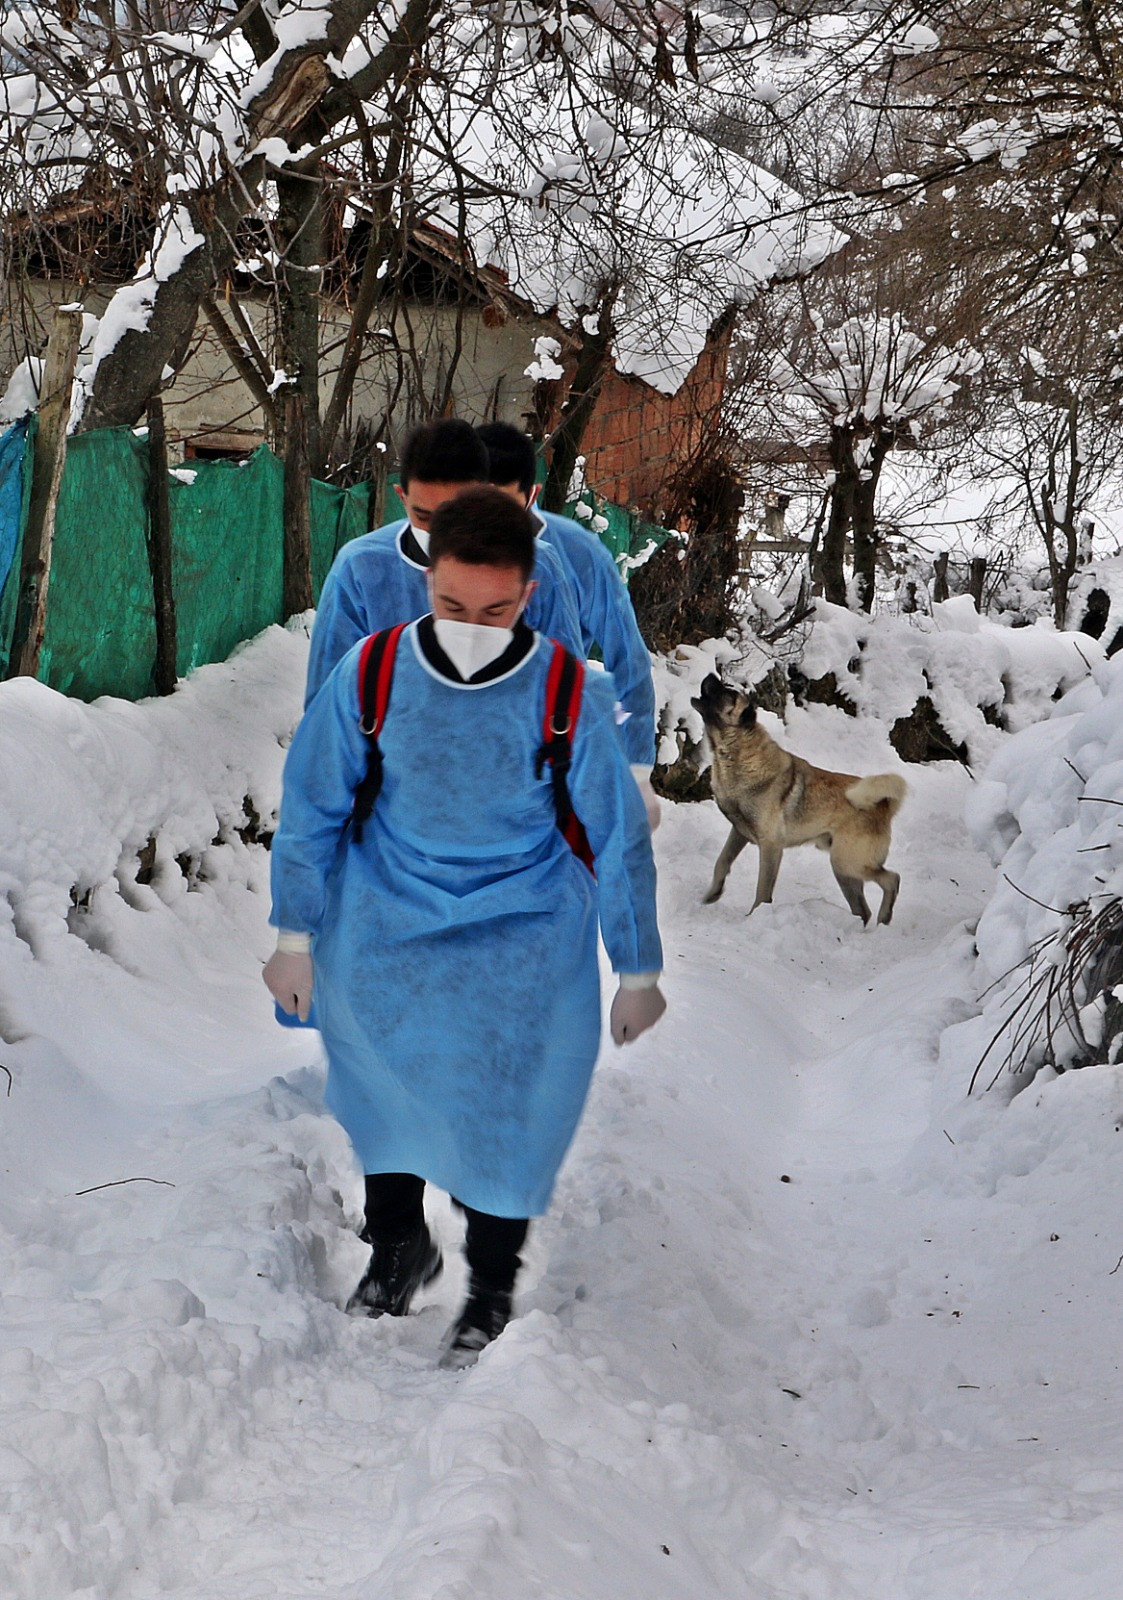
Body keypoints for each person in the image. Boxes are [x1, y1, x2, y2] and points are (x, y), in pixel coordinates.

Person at [264, 488, 666, 1368]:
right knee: (383, 1086)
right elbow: (311, 807)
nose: (470, 624)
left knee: (505, 1108)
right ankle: (398, 1244)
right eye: (450, 605)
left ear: (527, 595)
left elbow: (614, 835)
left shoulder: (562, 691)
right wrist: (294, 935)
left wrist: (637, 968)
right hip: (386, 920)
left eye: (494, 609)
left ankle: (489, 1285)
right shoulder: (369, 675)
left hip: (523, 932)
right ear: (428, 584)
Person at [304, 418, 582, 706]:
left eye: (455, 513)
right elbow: (328, 700)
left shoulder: (537, 564)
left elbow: (569, 688)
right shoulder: (361, 567)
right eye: (424, 516)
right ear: (402, 497)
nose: (440, 532)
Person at [477, 421, 661, 828]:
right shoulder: (426, 554)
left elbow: (627, 658)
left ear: (530, 497)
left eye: (502, 507)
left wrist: (636, 774)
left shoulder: (574, 556)